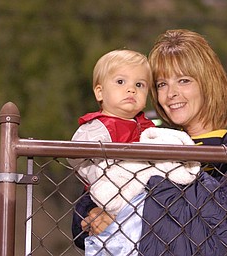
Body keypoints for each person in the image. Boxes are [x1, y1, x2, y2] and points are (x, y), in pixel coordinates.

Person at [73, 29, 227, 255]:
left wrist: (133, 217)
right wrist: (93, 213)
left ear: (208, 83)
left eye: (184, 80)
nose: (171, 93)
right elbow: (87, 208)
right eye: (161, 84)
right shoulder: (155, 141)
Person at [69, 49, 156, 253]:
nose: (131, 90)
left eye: (139, 85)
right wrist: (102, 176)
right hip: (101, 194)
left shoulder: (148, 127)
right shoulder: (98, 127)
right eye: (120, 82)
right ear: (100, 92)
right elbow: (76, 155)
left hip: (138, 195)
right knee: (107, 245)